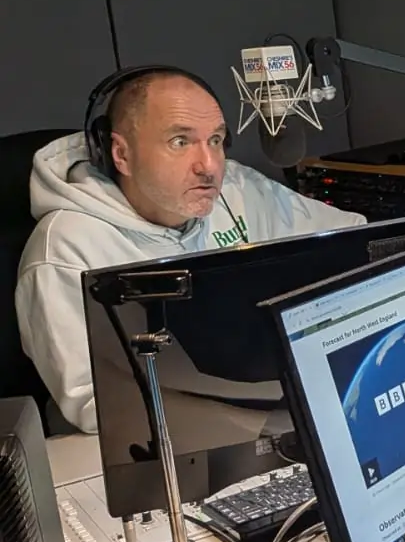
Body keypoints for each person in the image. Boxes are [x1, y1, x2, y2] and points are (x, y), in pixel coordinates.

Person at [15, 68, 366, 435]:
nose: (209, 166)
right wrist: (261, 416)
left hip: (266, 414)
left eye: (215, 140)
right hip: (133, 444)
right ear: (120, 154)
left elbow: (356, 240)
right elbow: (96, 406)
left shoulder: (237, 190)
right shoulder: (64, 248)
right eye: (180, 142)